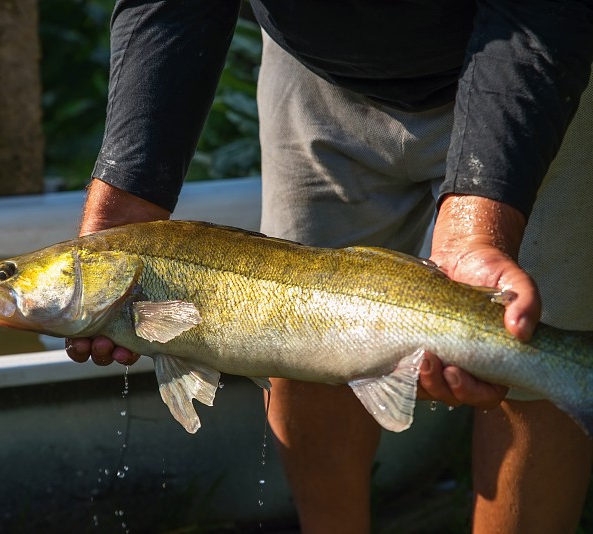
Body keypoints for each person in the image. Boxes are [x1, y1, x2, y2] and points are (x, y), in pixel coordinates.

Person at [64, 1, 593, 532]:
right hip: (313, 64)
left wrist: (481, 225)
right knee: (292, 343)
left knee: (527, 358)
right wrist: (126, 197)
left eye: (9, 274)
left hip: (528, 52)